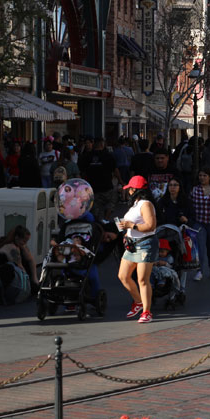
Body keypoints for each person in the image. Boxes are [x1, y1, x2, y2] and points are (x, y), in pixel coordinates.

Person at [117, 175, 158, 324]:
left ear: (135, 190)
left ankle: (147, 312)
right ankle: (139, 302)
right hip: (132, 244)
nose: (128, 192)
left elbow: (151, 226)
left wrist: (131, 226)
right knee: (123, 276)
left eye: (130, 189)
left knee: (142, 279)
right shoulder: (135, 203)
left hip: (145, 244)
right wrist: (125, 229)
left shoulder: (146, 204)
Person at [81, 137, 120, 220]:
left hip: (93, 187)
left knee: (95, 208)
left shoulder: (88, 156)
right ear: (102, 144)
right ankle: (106, 220)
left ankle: (97, 223)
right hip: (106, 185)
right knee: (110, 204)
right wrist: (121, 181)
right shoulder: (108, 155)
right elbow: (115, 170)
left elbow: (83, 171)